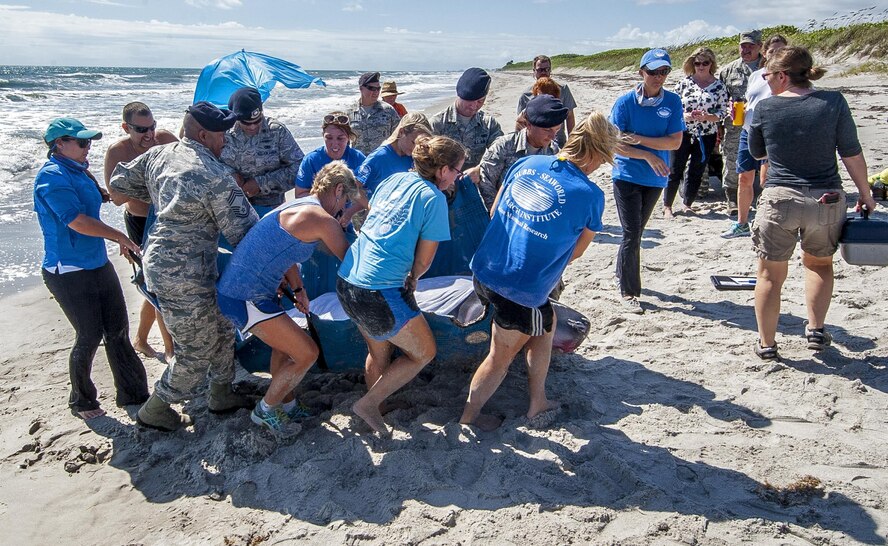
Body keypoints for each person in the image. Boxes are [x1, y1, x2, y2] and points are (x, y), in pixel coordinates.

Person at [460, 112, 621, 431]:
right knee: (499, 358)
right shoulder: (591, 196)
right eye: (604, 160)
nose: (601, 166)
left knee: (545, 326)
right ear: (596, 154)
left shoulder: (526, 164)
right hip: (519, 290)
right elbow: (575, 252)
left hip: (483, 268)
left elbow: (495, 212)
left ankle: (538, 401)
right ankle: (467, 420)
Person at [110, 102, 260, 431]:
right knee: (195, 351)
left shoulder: (160, 155)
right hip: (181, 275)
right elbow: (249, 236)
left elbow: (118, 183)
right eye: (222, 135)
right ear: (204, 135)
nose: (226, 142)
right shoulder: (217, 176)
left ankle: (221, 393)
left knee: (221, 328)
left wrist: (165, 193)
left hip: (170, 263)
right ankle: (156, 408)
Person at [748, 46, 877, 360]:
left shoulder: (765, 108)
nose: (766, 82)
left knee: (769, 276)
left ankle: (767, 346)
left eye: (768, 76)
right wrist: (865, 193)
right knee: (819, 265)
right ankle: (816, 330)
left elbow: (756, 153)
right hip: (827, 199)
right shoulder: (833, 102)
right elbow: (851, 152)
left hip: (781, 199)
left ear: (782, 75)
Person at [217, 162, 363, 437]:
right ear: (339, 189)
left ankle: (289, 404)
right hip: (246, 296)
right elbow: (353, 262)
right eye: (345, 202)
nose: (343, 210)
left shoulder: (300, 205)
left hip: (246, 292)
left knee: (283, 349)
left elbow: (285, 252)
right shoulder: (322, 219)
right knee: (307, 353)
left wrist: (299, 290)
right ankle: (265, 410)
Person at [336, 135, 467, 436]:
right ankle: (368, 404)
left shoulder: (393, 179)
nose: (458, 177)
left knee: (378, 352)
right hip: (377, 292)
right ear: (443, 170)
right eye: (458, 171)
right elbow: (424, 260)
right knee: (424, 352)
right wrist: (413, 280)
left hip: (347, 280)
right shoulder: (433, 198)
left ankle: (376, 408)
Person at [34, 118, 149, 420]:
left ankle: (135, 394)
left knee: (118, 329)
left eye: (89, 142)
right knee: (89, 334)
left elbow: (100, 197)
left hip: (97, 263)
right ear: (59, 144)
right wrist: (119, 236)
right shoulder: (52, 177)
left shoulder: (78, 170)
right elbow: (76, 221)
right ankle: (82, 401)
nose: (88, 148)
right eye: (82, 142)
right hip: (67, 269)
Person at [610, 48, 685, 314]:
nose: (658, 77)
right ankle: (629, 292)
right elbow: (616, 143)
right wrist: (646, 154)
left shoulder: (672, 102)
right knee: (631, 232)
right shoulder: (624, 103)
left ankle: (621, 272)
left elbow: (675, 141)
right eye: (653, 72)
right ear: (641, 72)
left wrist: (638, 139)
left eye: (664, 71)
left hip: (655, 178)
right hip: (626, 175)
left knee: (636, 232)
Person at [103, 101, 177, 362]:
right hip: (140, 223)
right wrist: (146, 175)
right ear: (126, 127)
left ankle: (142, 339)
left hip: (169, 220)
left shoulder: (166, 139)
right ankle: (170, 349)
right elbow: (116, 197)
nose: (149, 135)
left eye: (152, 127)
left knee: (158, 283)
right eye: (141, 130)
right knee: (157, 287)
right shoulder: (118, 151)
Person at [721, 34, 788, 238]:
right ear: (765, 52)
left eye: (781, 50)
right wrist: (735, 112)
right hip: (748, 131)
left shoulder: (788, 76)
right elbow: (751, 102)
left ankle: (772, 223)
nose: (776, 54)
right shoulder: (756, 75)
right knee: (743, 178)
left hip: (773, 134)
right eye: (772, 50)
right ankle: (741, 223)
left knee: (767, 180)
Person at [663, 47, 729, 218]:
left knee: (697, 170)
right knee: (675, 169)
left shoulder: (719, 86)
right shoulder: (684, 83)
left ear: (711, 64)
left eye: (704, 63)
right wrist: (686, 115)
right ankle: (667, 206)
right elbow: (673, 107)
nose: (700, 66)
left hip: (706, 134)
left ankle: (687, 204)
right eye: (697, 63)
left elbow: (723, 112)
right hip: (683, 132)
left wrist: (707, 116)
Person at [220, 87, 304, 217]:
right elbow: (209, 163)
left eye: (257, 121)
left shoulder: (277, 131)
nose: (253, 126)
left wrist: (261, 183)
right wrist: (230, 175)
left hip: (270, 207)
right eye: (247, 123)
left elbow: (300, 169)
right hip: (232, 207)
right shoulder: (223, 133)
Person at [479, 94, 567, 211]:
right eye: (547, 130)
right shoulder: (504, 146)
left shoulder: (554, 152)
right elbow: (485, 182)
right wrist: (498, 214)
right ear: (529, 125)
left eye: (557, 130)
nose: (552, 136)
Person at [343, 113, 432, 225]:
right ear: (401, 132)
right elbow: (353, 186)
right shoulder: (379, 157)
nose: (416, 148)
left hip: (407, 221)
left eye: (421, 144)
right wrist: (371, 207)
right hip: (380, 223)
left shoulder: (415, 158)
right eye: (413, 142)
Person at [718, 30, 765, 216]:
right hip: (735, 124)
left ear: (760, 47)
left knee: (765, 159)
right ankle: (732, 198)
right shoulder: (728, 70)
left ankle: (763, 195)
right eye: (743, 46)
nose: (746, 49)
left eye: (750, 46)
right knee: (732, 159)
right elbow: (720, 98)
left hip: (763, 122)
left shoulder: (768, 67)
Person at [430, 67, 503, 185]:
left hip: (475, 186)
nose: (474, 106)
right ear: (460, 95)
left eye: (480, 101)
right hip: (443, 187)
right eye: (470, 101)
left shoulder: (489, 124)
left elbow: (500, 153)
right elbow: (425, 161)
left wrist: (480, 169)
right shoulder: (437, 124)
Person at [294, 112, 366, 198]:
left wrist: (348, 210)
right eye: (329, 138)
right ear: (323, 136)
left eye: (340, 138)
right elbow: (300, 194)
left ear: (348, 138)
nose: (335, 144)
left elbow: (370, 190)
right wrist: (328, 202)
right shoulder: (310, 161)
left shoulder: (358, 158)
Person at [516, 56, 578, 146]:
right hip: (534, 145)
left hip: (558, 142)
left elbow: (570, 117)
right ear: (534, 72)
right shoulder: (526, 95)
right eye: (540, 70)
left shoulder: (562, 89)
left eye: (546, 69)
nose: (544, 72)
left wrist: (572, 142)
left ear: (550, 71)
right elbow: (520, 122)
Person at [348, 72, 401, 155]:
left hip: (383, 161)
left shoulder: (388, 111)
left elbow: (399, 137)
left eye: (378, 88)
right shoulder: (350, 112)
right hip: (359, 163)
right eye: (371, 88)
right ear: (361, 88)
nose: (376, 92)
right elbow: (344, 141)